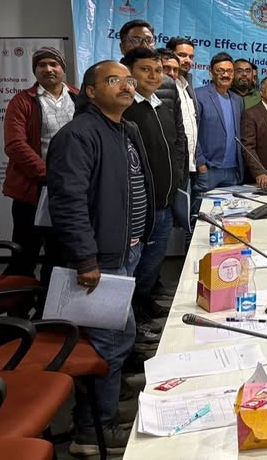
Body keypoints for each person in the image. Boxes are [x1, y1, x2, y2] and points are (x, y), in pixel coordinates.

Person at [47, 60, 154, 455]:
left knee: (119, 337)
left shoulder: (126, 129)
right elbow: (68, 202)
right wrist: (85, 258)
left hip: (127, 250)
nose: (126, 86)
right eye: (114, 80)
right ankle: (92, 431)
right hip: (101, 260)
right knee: (108, 342)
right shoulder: (78, 135)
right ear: (90, 91)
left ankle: (103, 412)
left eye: (129, 81)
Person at [121, 48, 187, 345]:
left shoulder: (162, 105)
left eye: (158, 70)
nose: (154, 76)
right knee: (133, 269)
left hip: (165, 203)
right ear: (129, 74)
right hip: (140, 208)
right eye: (145, 69)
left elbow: (176, 145)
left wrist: (178, 180)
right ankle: (132, 326)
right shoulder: (126, 109)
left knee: (150, 267)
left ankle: (142, 310)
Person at [2, 46, 77, 281]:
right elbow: (15, 145)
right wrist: (49, 174)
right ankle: (17, 301)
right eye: (42, 65)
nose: (48, 69)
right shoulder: (22, 101)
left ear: (63, 68)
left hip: (70, 190)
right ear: (35, 70)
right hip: (32, 191)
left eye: (54, 64)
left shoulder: (79, 97)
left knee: (60, 254)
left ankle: (48, 301)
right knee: (25, 253)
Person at [193, 52, 244, 212]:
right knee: (202, 216)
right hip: (209, 170)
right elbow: (192, 133)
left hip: (233, 171)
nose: (225, 75)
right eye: (220, 71)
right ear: (211, 72)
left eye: (229, 71)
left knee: (230, 215)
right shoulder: (198, 95)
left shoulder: (237, 100)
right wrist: (201, 165)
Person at [165, 37, 198, 234]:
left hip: (187, 164)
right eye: (182, 55)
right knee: (167, 223)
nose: (187, 60)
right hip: (170, 166)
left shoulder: (186, 85)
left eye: (191, 57)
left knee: (185, 220)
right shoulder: (164, 86)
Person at [118, 20, 180, 117]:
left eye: (149, 40)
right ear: (122, 47)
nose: (144, 45)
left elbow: (177, 123)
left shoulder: (168, 83)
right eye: (136, 40)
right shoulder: (109, 79)